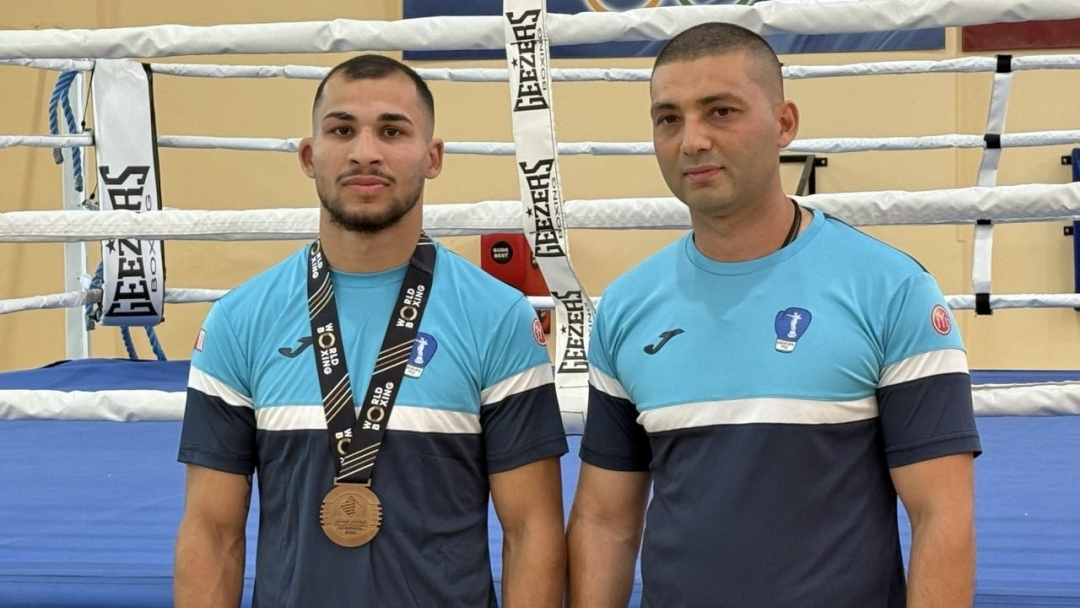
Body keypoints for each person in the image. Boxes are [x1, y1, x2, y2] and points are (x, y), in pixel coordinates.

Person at [566, 22, 981, 608]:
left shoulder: (890, 289)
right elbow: (605, 523)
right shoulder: (627, 307)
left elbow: (941, 513)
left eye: (721, 112)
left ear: (784, 123)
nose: (692, 141)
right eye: (669, 118)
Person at [174, 54, 568, 608]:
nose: (365, 151)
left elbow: (532, 531)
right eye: (342, 130)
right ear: (310, 156)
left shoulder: (498, 318)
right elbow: (210, 532)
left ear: (432, 158)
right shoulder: (239, 320)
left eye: (391, 130)